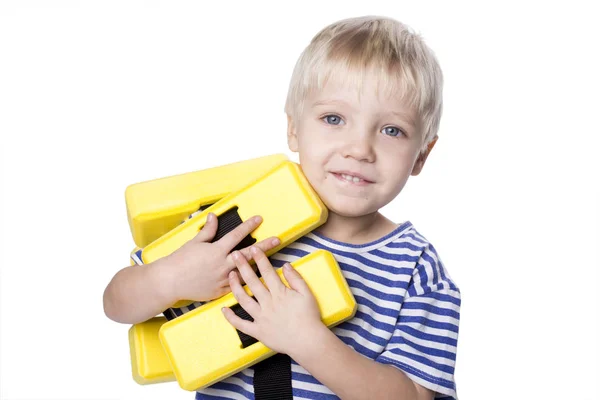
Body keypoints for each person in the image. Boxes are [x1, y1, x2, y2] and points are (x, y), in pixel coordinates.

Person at [104, 15, 460, 400]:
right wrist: (169, 279)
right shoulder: (236, 220)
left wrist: (307, 341)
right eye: (334, 118)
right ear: (293, 128)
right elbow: (116, 303)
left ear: (422, 154)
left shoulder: (416, 268)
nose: (359, 149)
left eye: (392, 130)